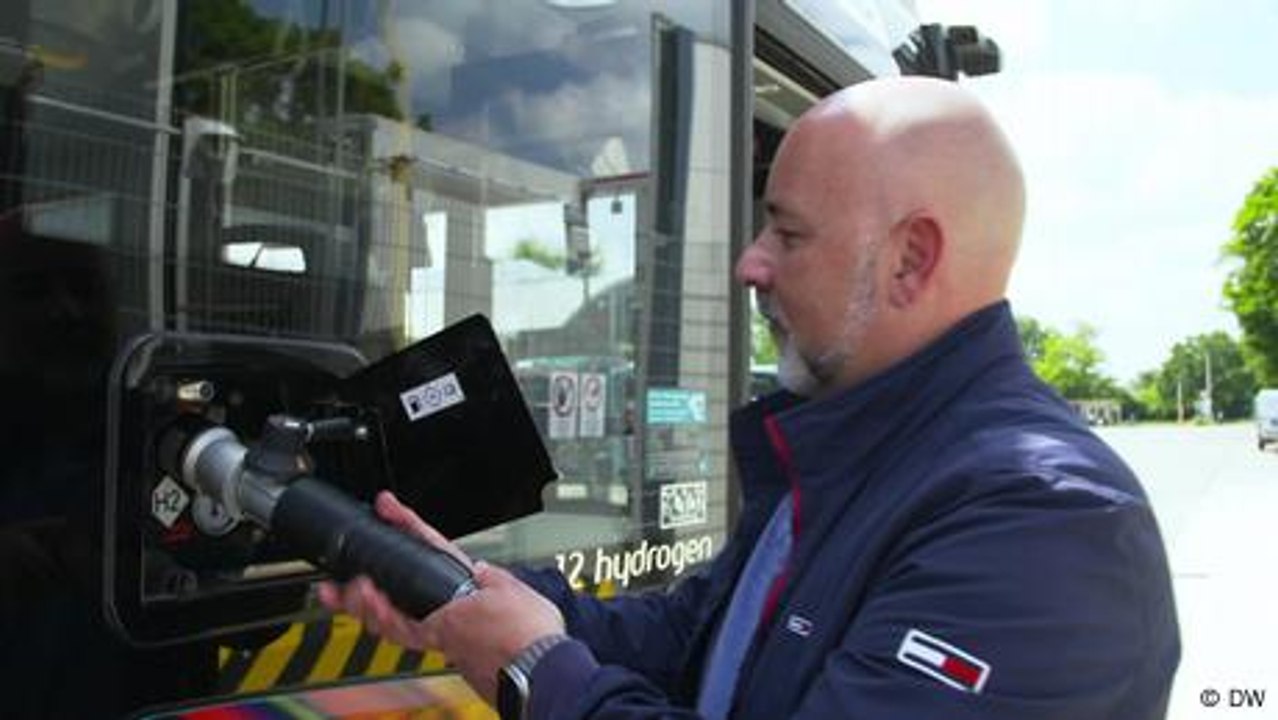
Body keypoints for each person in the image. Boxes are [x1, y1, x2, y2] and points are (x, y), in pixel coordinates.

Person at [320, 76, 1180, 719]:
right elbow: (693, 641)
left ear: (911, 260)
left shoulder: (1044, 525)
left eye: (789, 232)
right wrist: (469, 594)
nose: (750, 264)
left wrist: (537, 670)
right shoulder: (857, 461)